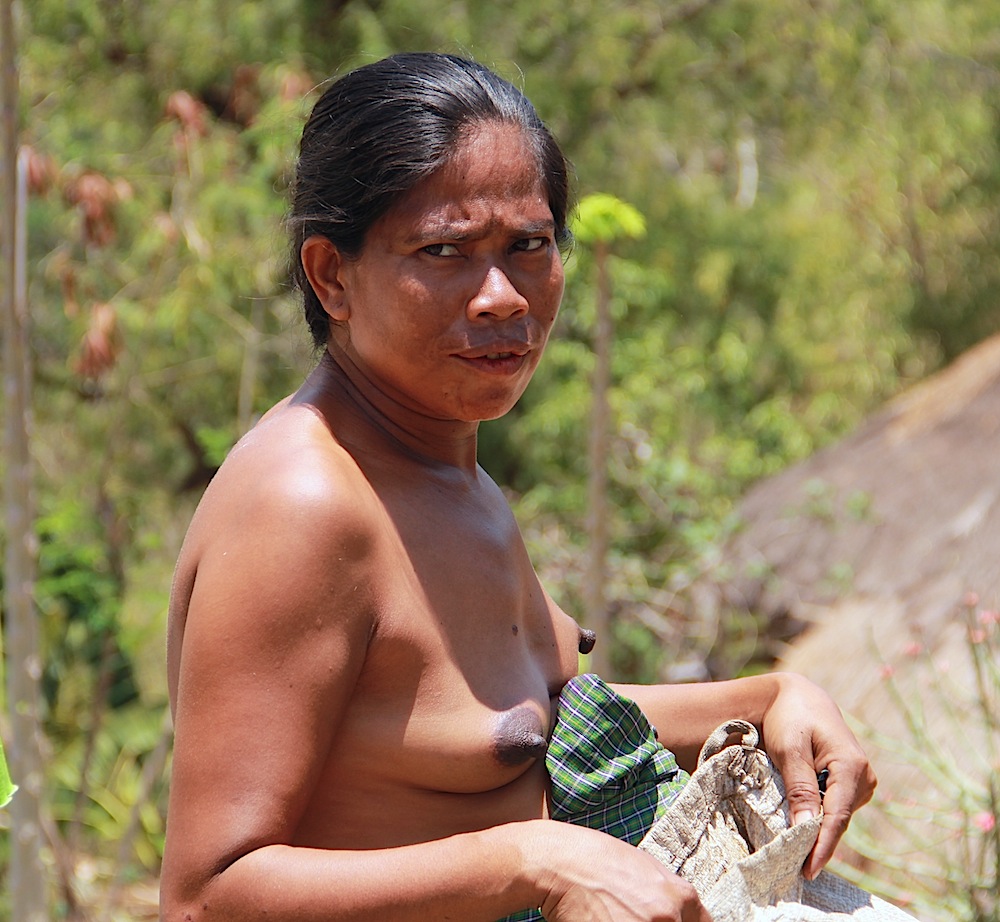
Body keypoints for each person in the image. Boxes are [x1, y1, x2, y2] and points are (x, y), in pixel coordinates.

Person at [160, 52, 876, 922]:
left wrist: (766, 699)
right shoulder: (305, 504)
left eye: (529, 245)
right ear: (332, 276)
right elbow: (204, 896)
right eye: (445, 251)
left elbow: (501, 728)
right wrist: (529, 863)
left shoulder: (442, 468)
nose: (502, 295)